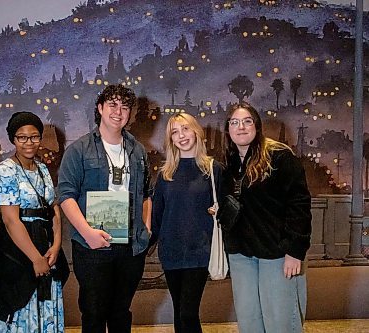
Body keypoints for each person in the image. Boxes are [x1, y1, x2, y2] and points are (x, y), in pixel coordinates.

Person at [58, 84, 152, 333]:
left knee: (121, 312)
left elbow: (146, 194)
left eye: (124, 107)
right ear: (100, 108)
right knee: (94, 311)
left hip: (130, 246)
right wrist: (88, 233)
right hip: (92, 246)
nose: (118, 112)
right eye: (112, 105)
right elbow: (66, 196)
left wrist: (146, 227)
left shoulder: (138, 151)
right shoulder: (78, 150)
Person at [221, 102, 312, 333]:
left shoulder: (279, 157)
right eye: (234, 122)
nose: (241, 127)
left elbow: (299, 205)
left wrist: (294, 251)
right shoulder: (230, 163)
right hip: (241, 254)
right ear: (228, 129)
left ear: (257, 126)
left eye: (247, 121)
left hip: (277, 254)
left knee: (280, 322)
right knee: (249, 320)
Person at [0, 112, 66, 332]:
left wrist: (56, 245)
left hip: (47, 246)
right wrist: (36, 259)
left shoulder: (43, 169)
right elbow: (11, 221)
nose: (29, 142)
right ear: (13, 139)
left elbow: (54, 209)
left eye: (34, 136)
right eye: (22, 137)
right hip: (17, 251)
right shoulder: (6, 170)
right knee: (19, 304)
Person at [150, 113, 222, 333]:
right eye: (174, 132)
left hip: (199, 250)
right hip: (171, 251)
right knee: (180, 312)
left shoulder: (213, 169)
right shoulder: (165, 174)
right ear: (170, 139)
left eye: (185, 129)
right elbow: (157, 215)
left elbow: (228, 207)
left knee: (188, 313)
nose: (181, 135)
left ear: (196, 132)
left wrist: (218, 211)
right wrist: (142, 245)